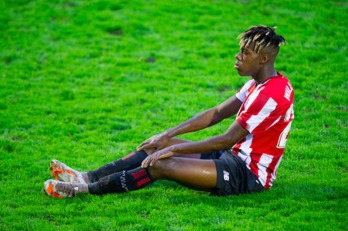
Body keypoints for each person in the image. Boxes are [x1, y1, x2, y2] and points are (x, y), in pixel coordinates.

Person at [44, 25, 294, 198]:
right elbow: (217, 113)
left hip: (247, 174)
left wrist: (173, 148)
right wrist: (166, 135)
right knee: (154, 147)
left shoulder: (268, 96)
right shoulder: (261, 82)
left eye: (245, 53)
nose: (237, 56)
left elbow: (227, 138)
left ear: (263, 59)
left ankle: (83, 191)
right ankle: (84, 177)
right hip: (233, 155)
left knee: (161, 165)